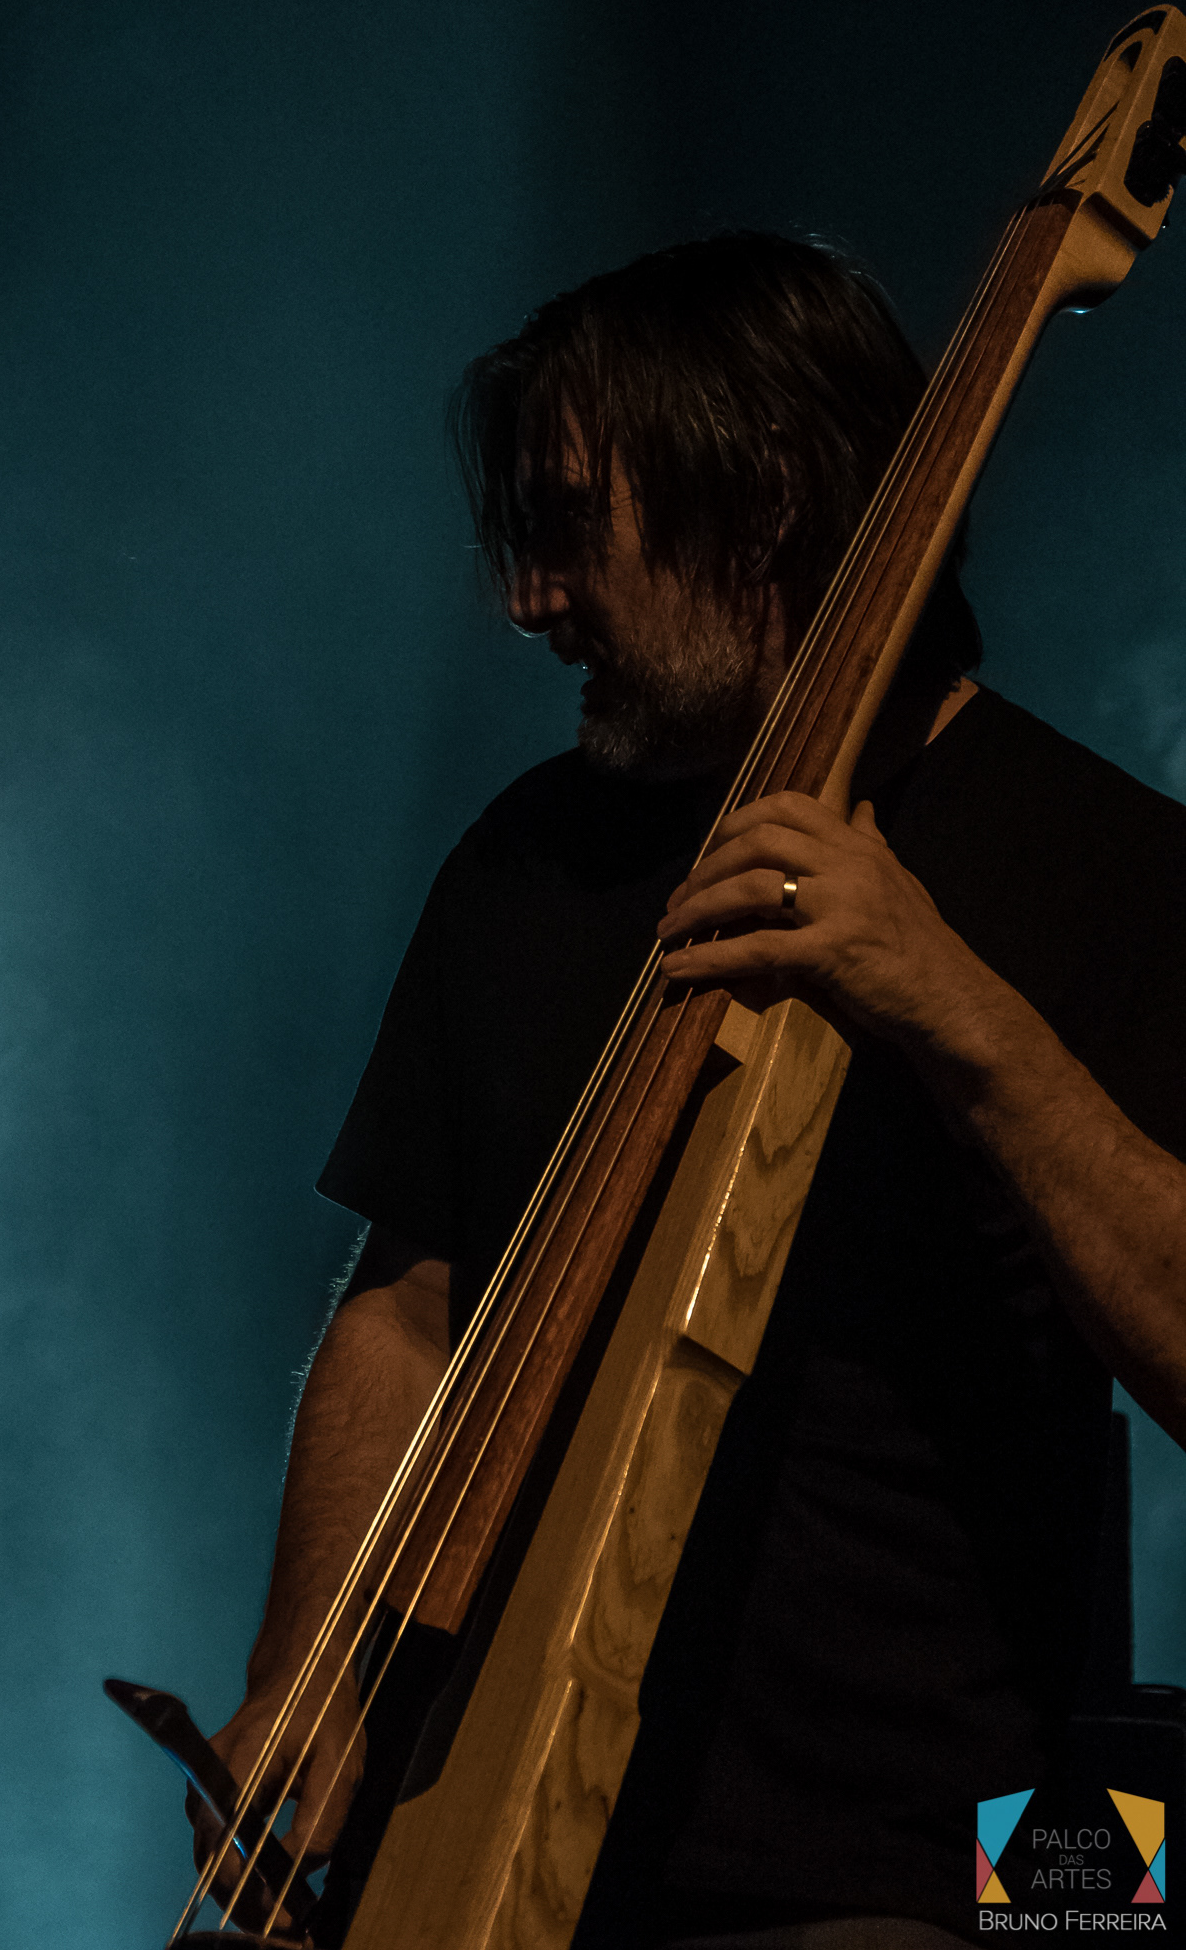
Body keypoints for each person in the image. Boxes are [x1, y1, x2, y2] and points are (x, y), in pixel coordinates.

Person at [199, 235, 1186, 1948]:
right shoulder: (524, 860)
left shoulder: (1109, 868)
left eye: (571, 526)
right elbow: (408, 1304)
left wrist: (955, 1009)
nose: (530, 600)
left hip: (927, 1862)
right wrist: (308, 1673)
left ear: (768, 499)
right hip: (474, 1826)